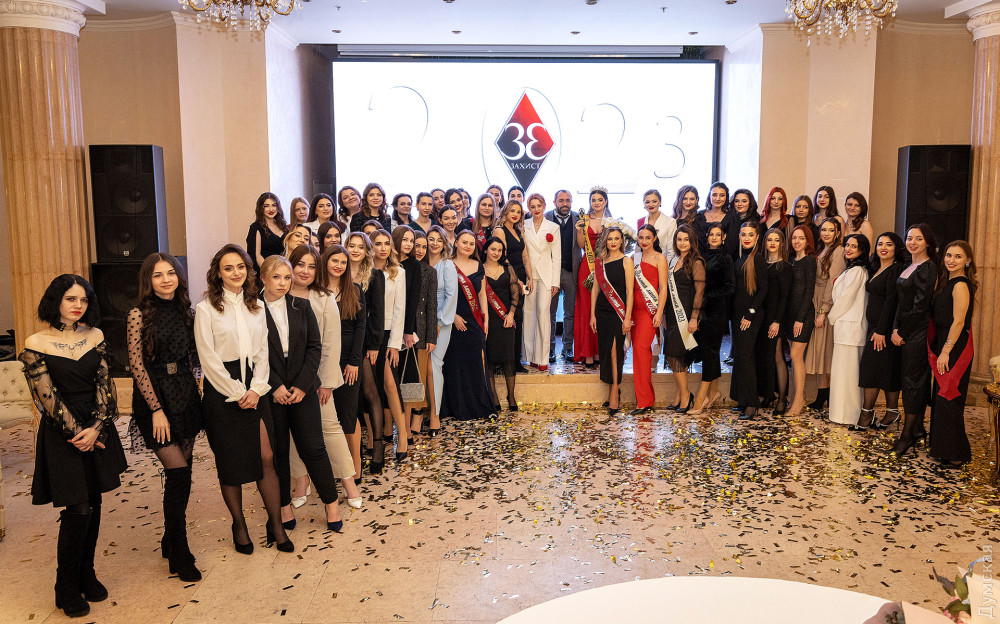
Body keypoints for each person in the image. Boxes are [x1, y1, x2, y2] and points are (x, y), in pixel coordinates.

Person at [19, 275, 128, 617]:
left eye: (83, 299)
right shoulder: (36, 342)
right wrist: (78, 432)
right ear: (55, 301)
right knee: (77, 508)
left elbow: (106, 385)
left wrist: (97, 427)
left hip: (96, 426)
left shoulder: (95, 335)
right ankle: (64, 584)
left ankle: (86, 573)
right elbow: (46, 397)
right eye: (70, 299)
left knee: (93, 502)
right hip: (62, 431)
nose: (78, 305)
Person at [193, 244, 292, 555]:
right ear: (218, 273)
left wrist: (256, 388)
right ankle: (239, 525)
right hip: (222, 390)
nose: (235, 273)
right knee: (230, 462)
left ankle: (276, 524)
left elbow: (263, 351)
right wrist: (236, 392)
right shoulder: (206, 309)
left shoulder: (257, 306)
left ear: (248, 271)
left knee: (266, 457)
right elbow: (208, 359)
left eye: (240, 267)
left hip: (256, 385)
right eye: (228, 268)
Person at [126, 253, 203, 583]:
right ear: (148, 280)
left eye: (171, 273)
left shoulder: (188, 311)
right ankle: (180, 551)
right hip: (154, 398)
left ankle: (169, 539)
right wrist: (156, 410)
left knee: (183, 474)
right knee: (178, 474)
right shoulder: (138, 314)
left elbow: (194, 357)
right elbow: (136, 365)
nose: (166, 279)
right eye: (158, 275)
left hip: (185, 394)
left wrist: (200, 385)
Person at [257, 255, 343, 535]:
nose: (283, 283)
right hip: (270, 390)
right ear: (263, 278)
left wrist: (303, 385)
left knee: (314, 448)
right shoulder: (252, 310)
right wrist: (275, 386)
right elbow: (254, 354)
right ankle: (284, 506)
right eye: (276, 277)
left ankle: (331, 503)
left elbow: (315, 347)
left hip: (302, 386)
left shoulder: (301, 306)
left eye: (286, 277)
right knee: (279, 451)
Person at [285, 245, 361, 510]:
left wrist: (327, 382)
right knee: (292, 431)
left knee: (330, 428)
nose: (305, 271)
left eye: (311, 266)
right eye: (300, 265)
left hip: (318, 377)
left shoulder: (324, 297)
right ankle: (301, 480)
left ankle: (348, 481)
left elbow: (331, 342)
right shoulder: (277, 294)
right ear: (290, 265)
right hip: (286, 377)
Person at [890, 224, 938, 457]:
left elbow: (920, 306)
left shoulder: (928, 267)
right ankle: (917, 429)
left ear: (927, 242)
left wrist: (903, 332)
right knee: (911, 381)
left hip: (918, 333)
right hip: (905, 330)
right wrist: (895, 328)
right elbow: (901, 302)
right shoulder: (909, 266)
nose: (912, 242)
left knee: (913, 384)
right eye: (909, 238)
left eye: (918, 239)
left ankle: (907, 435)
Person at [321, 244, 367, 484]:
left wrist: (354, 362)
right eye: (334, 261)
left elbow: (361, 327)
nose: (338, 266)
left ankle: (355, 465)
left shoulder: (355, 290)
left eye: (343, 262)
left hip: (349, 362)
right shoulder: (316, 291)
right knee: (330, 417)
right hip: (324, 361)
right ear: (325, 262)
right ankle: (335, 466)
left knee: (348, 415)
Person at [929, 241, 977, 468]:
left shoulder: (961, 285)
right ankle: (943, 449)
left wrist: (946, 351)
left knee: (949, 396)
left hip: (955, 347)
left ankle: (957, 454)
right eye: (948, 255)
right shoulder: (948, 282)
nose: (951, 260)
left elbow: (959, 322)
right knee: (942, 397)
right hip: (945, 343)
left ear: (968, 261)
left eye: (958, 256)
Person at [441, 230, 496, 420]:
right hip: (452, 322)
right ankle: (457, 407)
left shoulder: (478, 265)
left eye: (471, 243)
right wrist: (452, 316)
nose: (468, 246)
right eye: (464, 242)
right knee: (455, 364)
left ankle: (479, 406)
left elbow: (481, 294)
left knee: (475, 364)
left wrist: (486, 319)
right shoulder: (447, 264)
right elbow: (441, 295)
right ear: (456, 243)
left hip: (474, 321)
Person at [345, 231, 386, 474]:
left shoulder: (374, 275)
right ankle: (355, 451)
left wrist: (374, 345)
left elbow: (378, 312)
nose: (356, 250)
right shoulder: (338, 271)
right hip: (343, 341)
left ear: (366, 251)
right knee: (353, 397)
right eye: (352, 245)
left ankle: (378, 445)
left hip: (365, 342)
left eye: (361, 247)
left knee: (370, 392)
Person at [857, 232, 906, 431]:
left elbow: (891, 301)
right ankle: (889, 412)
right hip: (874, 327)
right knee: (882, 370)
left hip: (883, 329)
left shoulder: (896, 269)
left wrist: (881, 330)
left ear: (896, 248)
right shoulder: (876, 267)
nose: (883, 247)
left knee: (877, 370)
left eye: (889, 244)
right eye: (880, 244)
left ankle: (869, 414)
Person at [689, 224, 734, 415]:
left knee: (710, 351)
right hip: (701, 308)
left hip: (717, 309)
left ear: (723, 237)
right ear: (706, 236)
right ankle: (714, 391)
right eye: (711, 234)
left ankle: (701, 397)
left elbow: (730, 286)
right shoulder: (701, 255)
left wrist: (706, 294)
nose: (714, 237)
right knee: (709, 351)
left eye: (718, 234)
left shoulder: (726, 258)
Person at [826, 234, 871, 425]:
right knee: (842, 373)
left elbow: (846, 298)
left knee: (848, 375)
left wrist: (831, 316)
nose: (849, 249)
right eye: (847, 245)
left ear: (862, 249)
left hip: (850, 328)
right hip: (845, 327)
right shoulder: (851, 269)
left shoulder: (858, 271)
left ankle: (848, 415)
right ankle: (840, 413)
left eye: (854, 246)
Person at [371, 229, 408, 462]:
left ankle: (402, 436)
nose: (383, 248)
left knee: (390, 384)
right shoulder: (363, 270)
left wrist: (394, 344)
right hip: (367, 333)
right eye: (378, 243)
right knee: (370, 387)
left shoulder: (398, 272)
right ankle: (372, 437)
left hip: (387, 334)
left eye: (387, 243)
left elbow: (399, 309)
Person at [590, 226, 634, 414]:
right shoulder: (599, 262)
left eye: (617, 238)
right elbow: (595, 289)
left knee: (616, 352)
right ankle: (611, 389)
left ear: (622, 241)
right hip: (602, 311)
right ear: (605, 241)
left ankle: (615, 392)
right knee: (606, 352)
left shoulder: (626, 261)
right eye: (610, 239)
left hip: (619, 312)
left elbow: (630, 291)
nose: (613, 242)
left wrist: (627, 318)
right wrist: (592, 314)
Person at [805, 218, 845, 413]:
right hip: (815, 300)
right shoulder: (821, 249)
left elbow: (833, 283)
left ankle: (827, 395)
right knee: (820, 352)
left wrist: (823, 310)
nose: (826, 233)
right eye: (823, 230)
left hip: (825, 303)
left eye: (831, 230)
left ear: (837, 233)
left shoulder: (838, 251)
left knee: (825, 352)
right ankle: (822, 395)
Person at [663, 225, 704, 413]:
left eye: (686, 239)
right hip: (672, 314)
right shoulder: (674, 260)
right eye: (679, 239)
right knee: (675, 355)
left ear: (692, 241)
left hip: (686, 314)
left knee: (676, 354)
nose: (682, 243)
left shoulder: (696, 262)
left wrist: (694, 317)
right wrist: (665, 314)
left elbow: (699, 292)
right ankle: (679, 396)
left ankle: (686, 396)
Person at [730, 222, 768, 420]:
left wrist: (750, 314)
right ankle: (742, 399)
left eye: (750, 234)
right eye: (743, 234)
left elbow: (763, 290)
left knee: (745, 358)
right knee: (740, 357)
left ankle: (753, 404)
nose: (746, 238)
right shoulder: (740, 258)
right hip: (738, 316)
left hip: (750, 316)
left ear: (757, 237)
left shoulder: (757, 259)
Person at [630, 224, 668, 414]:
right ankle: (645, 399)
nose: (644, 241)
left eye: (647, 237)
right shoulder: (633, 258)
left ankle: (644, 401)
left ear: (654, 238)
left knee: (641, 350)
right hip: (633, 311)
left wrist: (659, 312)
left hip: (648, 311)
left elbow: (663, 288)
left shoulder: (660, 258)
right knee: (637, 354)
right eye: (641, 237)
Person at [404, 229, 439, 435]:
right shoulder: (400, 267)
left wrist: (431, 337)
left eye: (424, 247)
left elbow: (432, 305)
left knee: (419, 375)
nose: (419, 250)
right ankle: (405, 416)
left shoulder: (429, 272)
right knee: (406, 375)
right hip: (402, 328)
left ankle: (418, 413)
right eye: (416, 245)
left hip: (422, 330)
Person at [755, 228, 791, 414]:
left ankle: (782, 399)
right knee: (764, 356)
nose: (773, 243)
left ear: (782, 243)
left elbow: (784, 297)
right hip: (762, 316)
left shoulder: (784, 267)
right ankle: (769, 394)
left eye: (776, 240)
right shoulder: (761, 263)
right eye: (770, 239)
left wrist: (777, 321)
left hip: (776, 317)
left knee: (777, 356)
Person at [494, 199, 533, 371]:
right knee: (509, 317)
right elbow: (502, 256)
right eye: (512, 211)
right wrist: (515, 279)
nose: (515, 214)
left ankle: (516, 361)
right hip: (508, 277)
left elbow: (525, 256)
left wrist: (530, 277)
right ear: (505, 212)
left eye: (518, 211)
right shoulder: (499, 230)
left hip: (521, 277)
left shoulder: (519, 231)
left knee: (518, 318)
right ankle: (505, 362)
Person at [523, 193, 561, 370]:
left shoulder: (553, 227)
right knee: (528, 313)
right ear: (528, 208)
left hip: (546, 275)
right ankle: (530, 356)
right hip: (529, 276)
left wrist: (555, 282)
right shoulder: (524, 225)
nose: (536, 209)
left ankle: (543, 358)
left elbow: (557, 256)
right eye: (532, 206)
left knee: (543, 314)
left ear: (545, 205)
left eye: (539, 205)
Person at [483, 237, 521, 411]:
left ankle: (511, 396)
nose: (496, 253)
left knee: (509, 359)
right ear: (486, 250)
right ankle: (494, 398)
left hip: (506, 317)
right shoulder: (479, 269)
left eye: (499, 250)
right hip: (488, 319)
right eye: (493, 249)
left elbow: (515, 292)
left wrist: (511, 314)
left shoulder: (507, 268)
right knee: (489, 359)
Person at [426, 226, 457, 435]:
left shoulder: (447, 265)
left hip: (441, 322)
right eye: (431, 239)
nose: (435, 243)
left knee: (434, 366)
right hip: (420, 321)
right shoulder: (420, 262)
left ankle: (435, 415)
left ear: (444, 243)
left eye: (439, 240)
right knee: (421, 367)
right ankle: (418, 413)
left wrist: (439, 322)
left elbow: (451, 295)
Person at [784, 226, 818, 417]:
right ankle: (796, 396)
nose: (797, 241)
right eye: (794, 238)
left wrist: (800, 319)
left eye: (801, 238)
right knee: (793, 357)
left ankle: (799, 399)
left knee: (796, 355)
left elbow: (809, 292)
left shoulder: (809, 261)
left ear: (808, 241)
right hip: (789, 315)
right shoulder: (790, 260)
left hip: (803, 316)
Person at [575, 187, 610, 366]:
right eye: (593, 200)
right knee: (587, 307)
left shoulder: (611, 221)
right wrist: (580, 230)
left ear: (605, 201)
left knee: (601, 307)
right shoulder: (584, 220)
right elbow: (581, 245)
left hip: (605, 266)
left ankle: (599, 351)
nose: (596, 203)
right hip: (587, 267)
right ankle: (587, 352)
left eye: (599, 200)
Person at [546, 189, 581, 362]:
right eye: (561, 200)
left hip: (570, 272)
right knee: (550, 313)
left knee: (570, 313)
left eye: (568, 200)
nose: (565, 204)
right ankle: (550, 348)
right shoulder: (545, 218)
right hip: (550, 273)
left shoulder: (578, 219)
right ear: (555, 202)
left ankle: (567, 348)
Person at [246, 192, 288, 275]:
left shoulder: (283, 227)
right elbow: (257, 255)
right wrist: (270, 272)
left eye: (274, 205)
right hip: (265, 272)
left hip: (283, 270)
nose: (271, 209)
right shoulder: (256, 227)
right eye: (266, 206)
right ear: (261, 208)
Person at [693, 182, 739, 258]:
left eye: (722, 195)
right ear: (709, 196)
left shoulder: (732, 217)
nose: (718, 199)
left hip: (722, 260)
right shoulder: (699, 215)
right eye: (714, 195)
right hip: (698, 259)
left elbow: (732, 245)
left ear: (726, 197)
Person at [637, 189, 677, 265]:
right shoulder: (640, 221)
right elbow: (638, 248)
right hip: (643, 263)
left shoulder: (670, 222)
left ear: (660, 202)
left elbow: (671, 250)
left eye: (654, 201)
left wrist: (666, 267)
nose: (651, 204)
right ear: (644, 204)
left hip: (662, 263)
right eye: (647, 202)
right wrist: (637, 266)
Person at [471, 193, 499, 259]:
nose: (487, 208)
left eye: (490, 205)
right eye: (484, 205)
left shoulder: (499, 223)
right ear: (478, 206)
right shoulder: (469, 223)